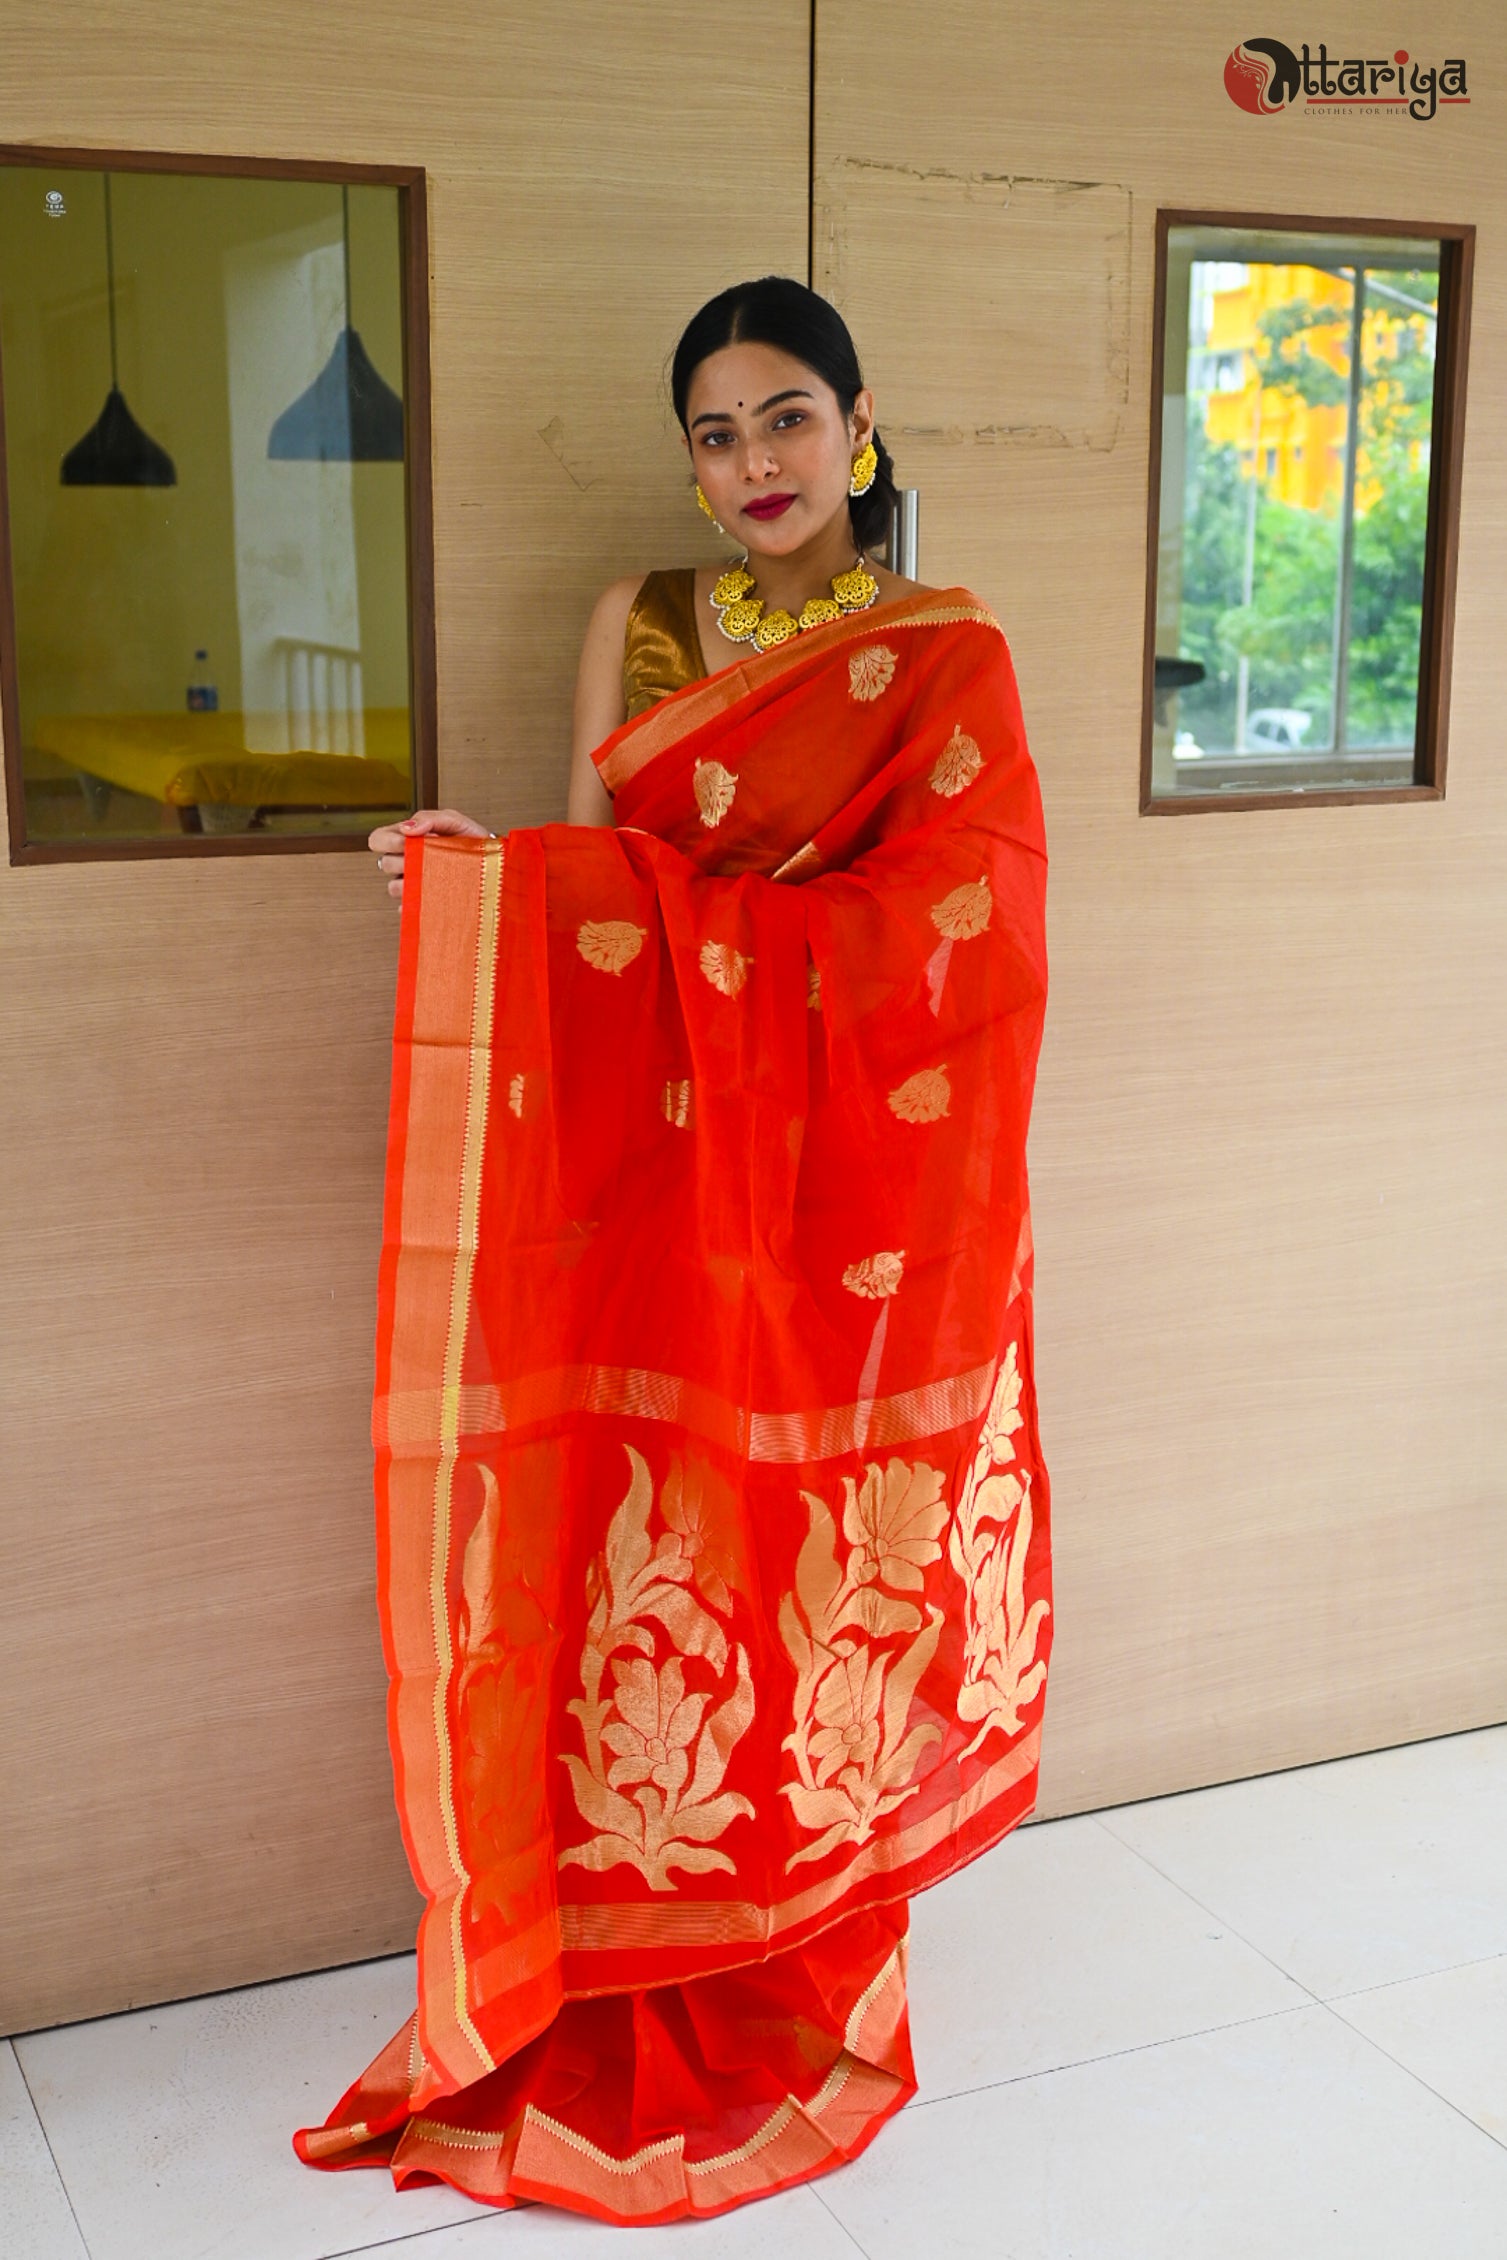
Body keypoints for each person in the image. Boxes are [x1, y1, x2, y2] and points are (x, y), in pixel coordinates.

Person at [297, 276, 1052, 2225]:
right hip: (656, 1149)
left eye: (785, 418)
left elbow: (970, 919)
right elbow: (600, 876)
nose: (751, 468)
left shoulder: (945, 657)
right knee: (652, 1527)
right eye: (714, 434)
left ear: (860, 423)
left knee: (817, 1538)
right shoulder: (638, 623)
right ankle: (628, 1922)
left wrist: (714, 942)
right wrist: (495, 881)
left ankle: (805, 1918)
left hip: (857, 1192)